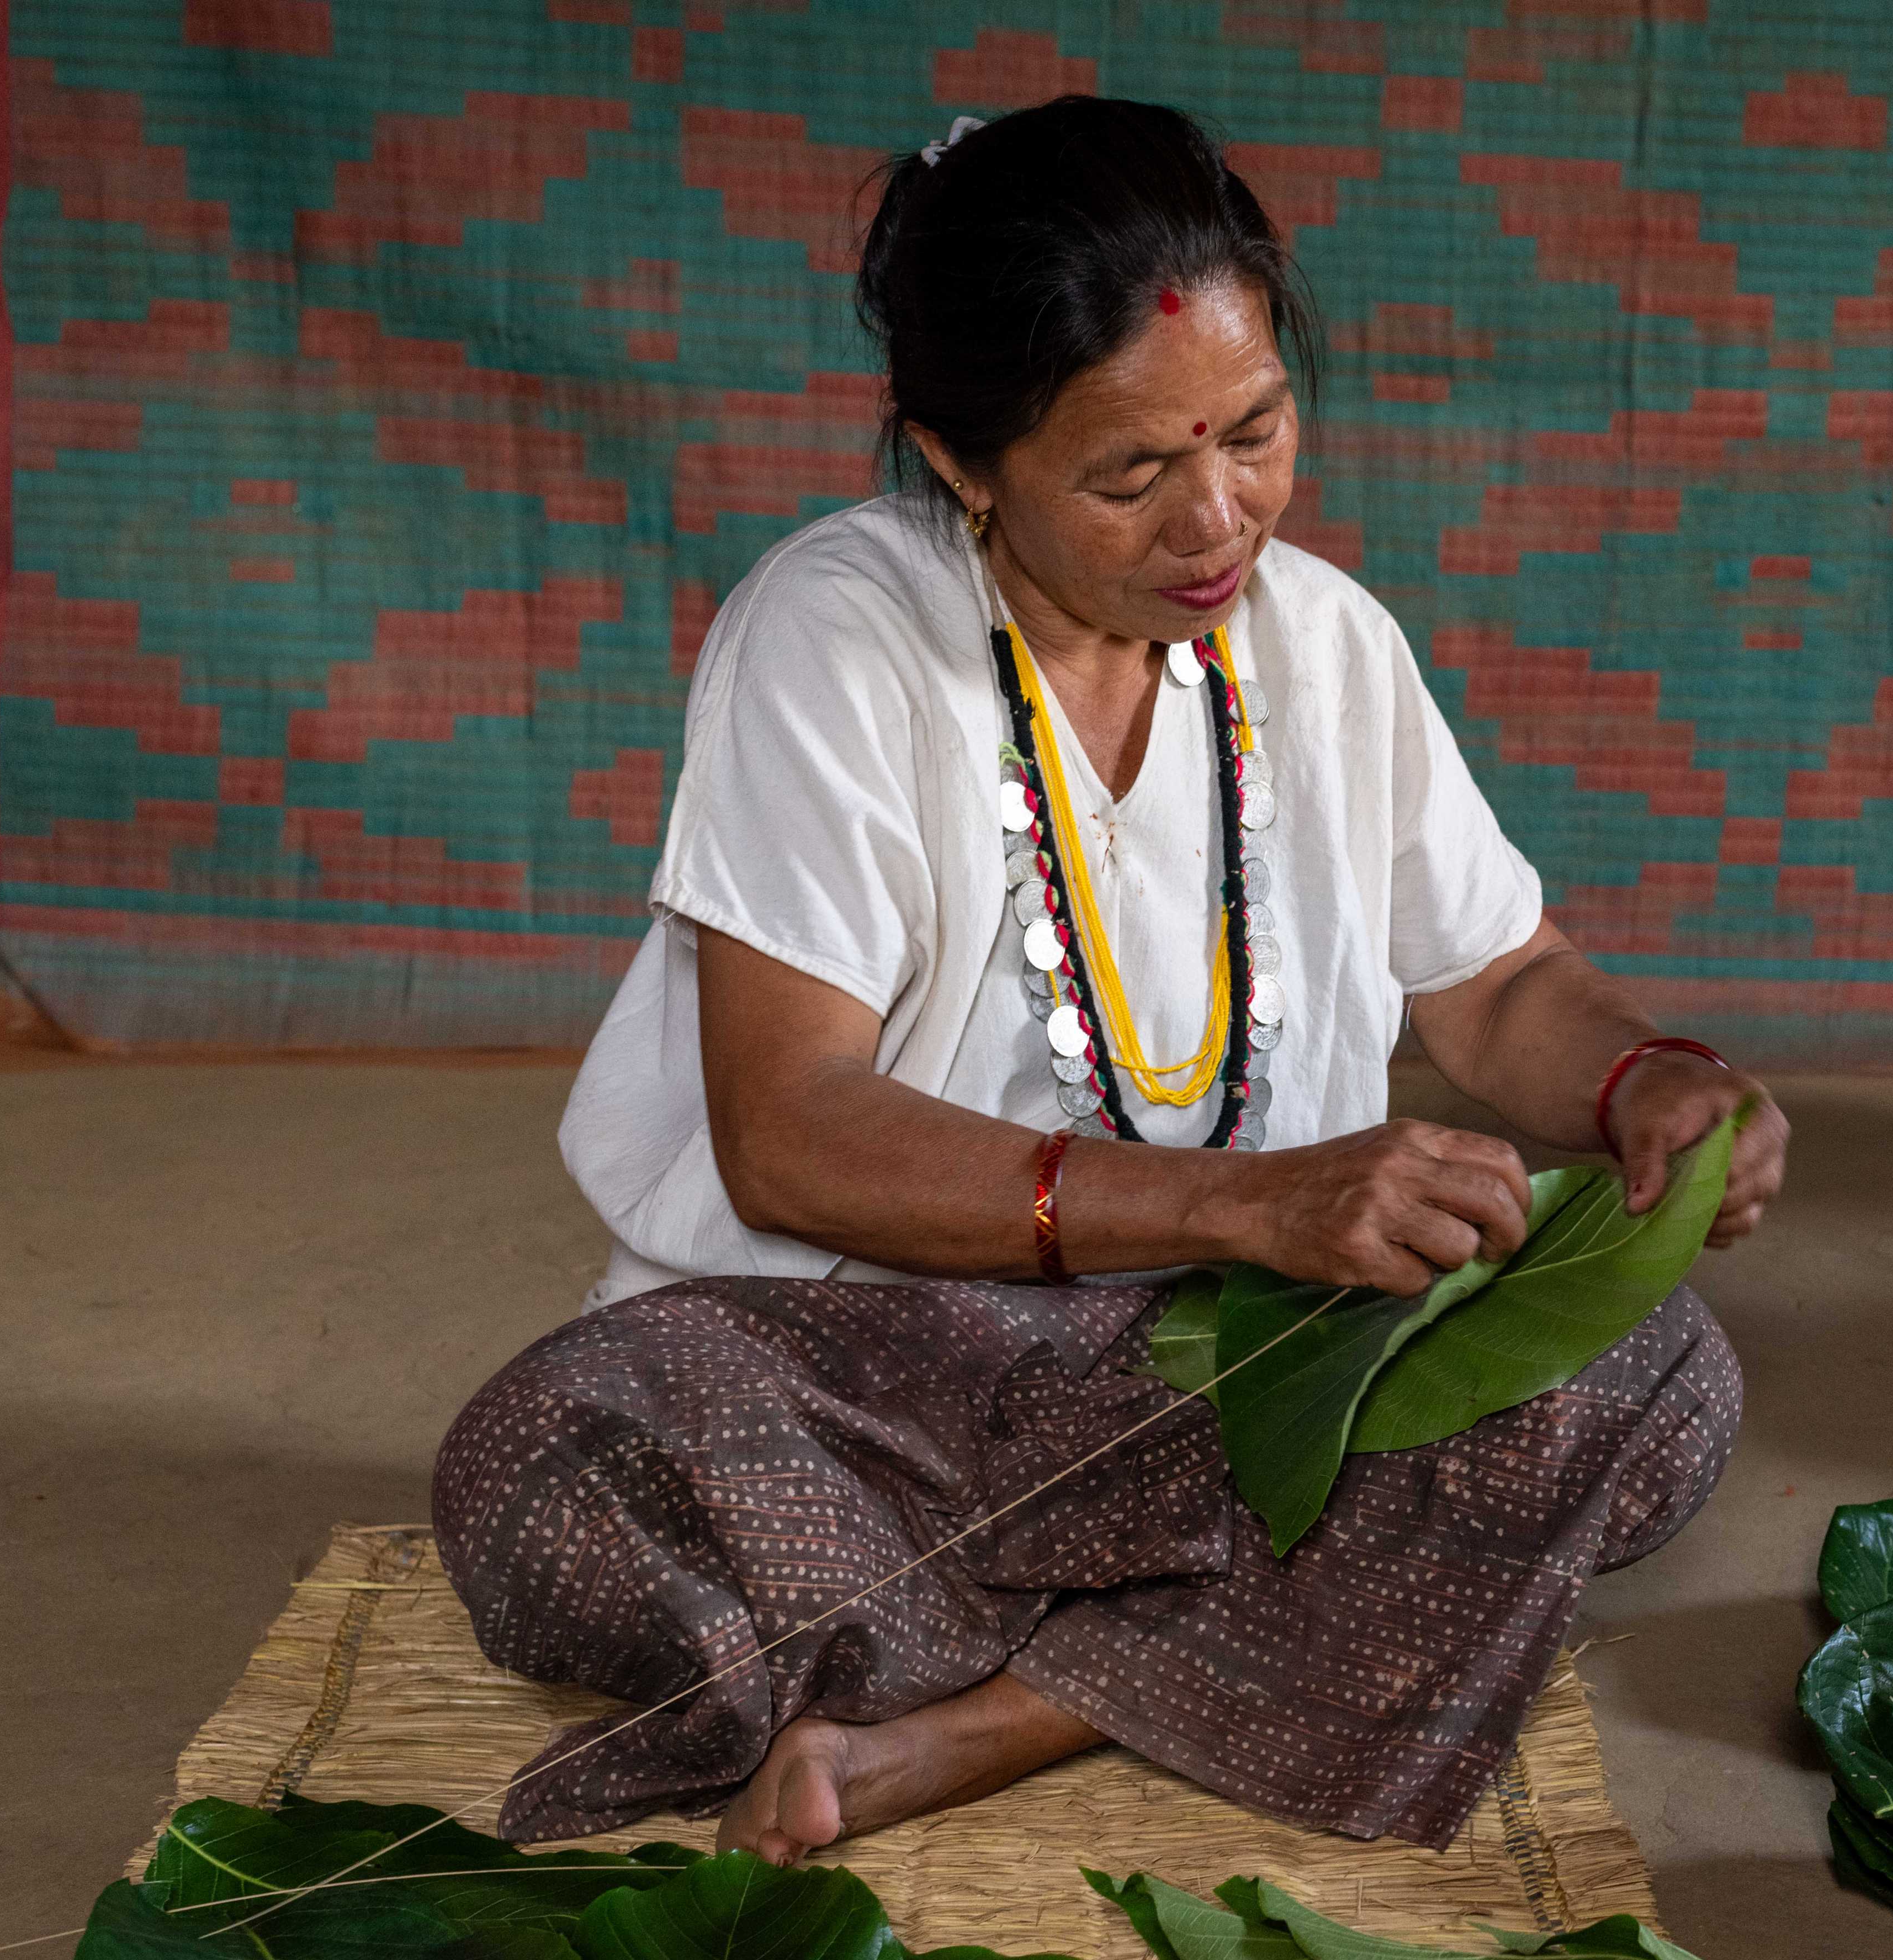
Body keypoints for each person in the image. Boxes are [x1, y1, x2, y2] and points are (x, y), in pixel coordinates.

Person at [433, 95, 1788, 1866]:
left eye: (1255, 430)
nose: (1217, 517)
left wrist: (1644, 1085)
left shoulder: (1319, 641)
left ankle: (991, 1719)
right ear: (959, 458)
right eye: (1131, 473)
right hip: (868, 1367)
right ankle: (1230, 1640)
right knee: (551, 1468)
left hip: (1231, 1372)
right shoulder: (835, 638)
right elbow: (790, 1135)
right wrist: (1248, 1202)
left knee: (1656, 1370)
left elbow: (1498, 983)